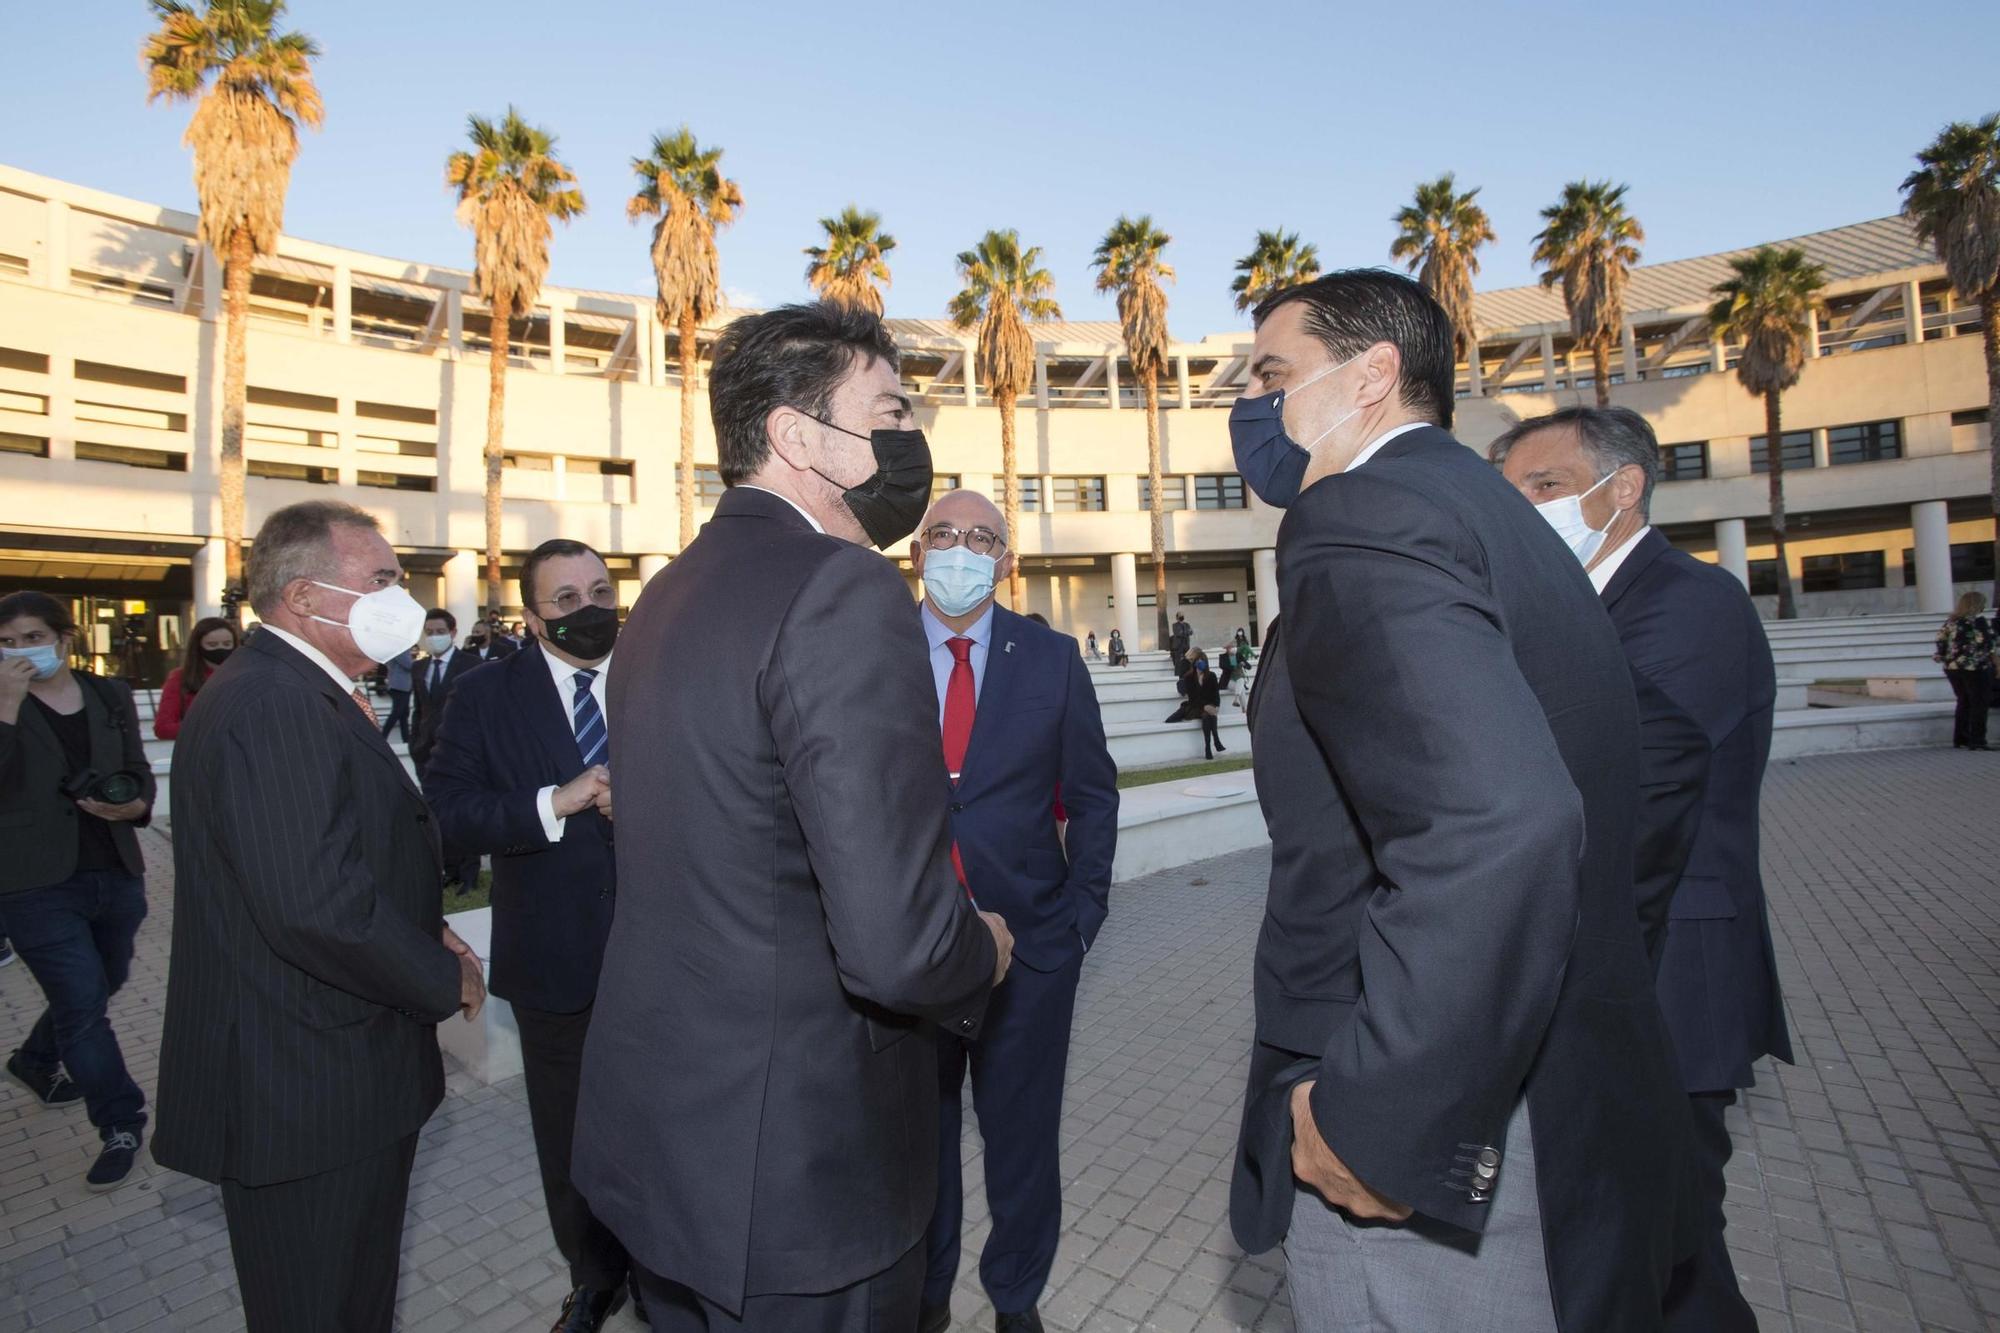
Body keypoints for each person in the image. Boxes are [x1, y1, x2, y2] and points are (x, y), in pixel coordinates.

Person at [1225, 271, 1686, 1331]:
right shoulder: (1485, 509)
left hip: (1428, 1112)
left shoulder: (1362, 510)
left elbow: (1500, 823)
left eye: (1273, 374)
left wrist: (1379, 1115)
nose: (1252, 407)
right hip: (1554, 1083)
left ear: (1372, 375)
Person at [573, 301, 1012, 1333]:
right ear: (798, 434)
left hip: (670, 1154)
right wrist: (980, 952)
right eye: (889, 410)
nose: (910, 439)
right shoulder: (840, 590)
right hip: (803, 1179)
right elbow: (896, 945)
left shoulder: (669, 594)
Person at [152, 500, 485, 1333]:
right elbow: (316, 906)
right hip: (303, 1091)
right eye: (379, 580)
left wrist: (425, 926)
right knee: (318, 1306)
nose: (398, 598)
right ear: (304, 598)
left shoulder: (304, 689)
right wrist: (442, 973)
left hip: (329, 1074)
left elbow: (337, 857)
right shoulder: (274, 702)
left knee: (353, 1299)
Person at [1493, 406, 1788, 1330]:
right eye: (1515, 496)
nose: (1528, 510)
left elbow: (1624, 788)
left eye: (1545, 487)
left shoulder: (1689, 603)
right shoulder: (1573, 610)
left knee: (1673, 1247)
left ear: (1624, 490)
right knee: (1641, 1240)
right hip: (1613, 971)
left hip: (1672, 978)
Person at [907, 489, 1118, 1333]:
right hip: (910, 950)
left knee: (1022, 1143)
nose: (963, 549)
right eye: (946, 534)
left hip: (1031, 954)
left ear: (1005, 560)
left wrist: (1079, 919)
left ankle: (1016, 1296)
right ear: (919, 550)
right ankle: (926, 1296)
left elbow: (1094, 797)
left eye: (982, 537)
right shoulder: (870, 651)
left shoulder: (1052, 657)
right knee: (920, 1148)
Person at [423, 538, 635, 1333]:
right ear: (532, 614)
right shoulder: (484, 697)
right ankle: (593, 1277)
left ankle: (669, 1268)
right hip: (557, 958)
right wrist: (556, 800)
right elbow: (446, 812)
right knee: (572, 1134)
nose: (590, 611)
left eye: (600, 590)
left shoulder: (658, 669)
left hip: (670, 950)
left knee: (670, 1122)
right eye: (567, 599)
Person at [0, 590, 156, 1190]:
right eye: (7, 643)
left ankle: (35, 1059)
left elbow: (137, 768)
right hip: (31, 882)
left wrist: (139, 805)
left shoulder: (108, 693)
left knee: (104, 983)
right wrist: (7, 704)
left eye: (32, 638)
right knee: (84, 1006)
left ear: (65, 640)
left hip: (114, 868)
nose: (21, 652)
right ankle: (120, 1120)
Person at [412, 609, 483, 891]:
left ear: (453, 633)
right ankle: (450, 868)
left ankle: (469, 873)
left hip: (462, 749)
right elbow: (419, 709)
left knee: (465, 809)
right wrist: (415, 740)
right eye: (429, 633)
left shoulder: (471, 664)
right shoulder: (420, 668)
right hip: (425, 750)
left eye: (439, 632)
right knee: (437, 812)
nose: (434, 637)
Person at [153, 616, 238, 739]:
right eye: (212, 645)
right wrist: (207, 728)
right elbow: (163, 728)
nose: (221, 649)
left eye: (227, 644)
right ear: (198, 646)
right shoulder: (180, 678)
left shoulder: (245, 675)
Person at [1935, 590, 1994, 751]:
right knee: (1979, 703)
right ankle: (1978, 740)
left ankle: (1961, 738)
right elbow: (1988, 643)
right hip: (1975, 667)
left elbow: (1940, 641)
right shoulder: (1978, 622)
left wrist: (1945, 656)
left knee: (1963, 701)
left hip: (1952, 668)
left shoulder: (1951, 622)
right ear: (1978, 605)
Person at [379, 645, 414, 744]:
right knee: (397, 712)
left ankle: (406, 738)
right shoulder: (400, 648)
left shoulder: (395, 648)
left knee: (403, 713)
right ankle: (383, 736)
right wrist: (420, 664)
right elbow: (408, 664)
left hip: (400, 684)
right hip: (400, 685)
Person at [1197, 664, 1226, 759]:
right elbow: (1194, 697)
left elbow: (1216, 692)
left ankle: (1211, 745)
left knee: (1211, 716)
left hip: (1211, 704)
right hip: (1199, 706)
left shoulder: (1212, 675)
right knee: (1206, 716)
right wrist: (1204, 706)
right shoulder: (1193, 679)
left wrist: (1217, 706)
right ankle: (1212, 744)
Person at [1168, 612, 1192, 677]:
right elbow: (1178, 633)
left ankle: (1187, 673)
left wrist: (1183, 632)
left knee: (1187, 660)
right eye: (1180, 616)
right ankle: (1177, 675)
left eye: (1182, 615)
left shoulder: (1187, 624)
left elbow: (1191, 632)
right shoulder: (1174, 625)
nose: (1181, 617)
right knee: (1177, 661)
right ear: (1177, 617)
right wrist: (1185, 632)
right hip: (1178, 646)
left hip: (1186, 645)